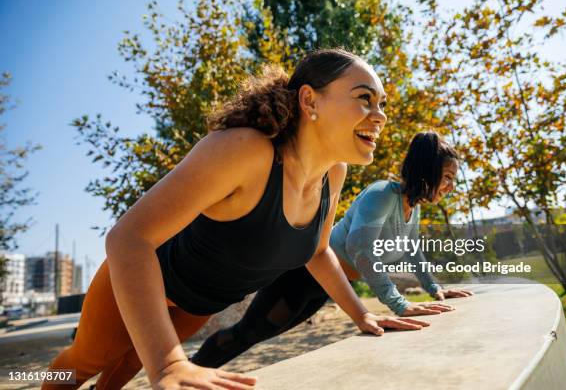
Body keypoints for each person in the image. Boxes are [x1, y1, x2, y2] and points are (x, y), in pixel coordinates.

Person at [43, 49, 430, 390]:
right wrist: (168, 362)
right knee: (82, 365)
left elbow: (319, 251)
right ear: (310, 100)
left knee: (129, 364)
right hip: (143, 280)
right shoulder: (246, 150)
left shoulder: (334, 173)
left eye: (382, 104)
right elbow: (128, 239)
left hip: (199, 302)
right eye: (365, 99)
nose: (379, 116)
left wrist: (364, 315)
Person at [190, 131, 473, 368]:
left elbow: (412, 250)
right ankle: (190, 369)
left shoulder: (412, 208)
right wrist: (399, 304)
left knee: (258, 334)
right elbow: (360, 248)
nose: (450, 186)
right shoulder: (384, 194)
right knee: (249, 332)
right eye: (447, 176)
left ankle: (195, 372)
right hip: (303, 275)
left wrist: (436, 288)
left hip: (330, 285)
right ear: (428, 170)